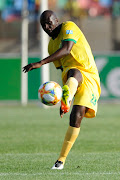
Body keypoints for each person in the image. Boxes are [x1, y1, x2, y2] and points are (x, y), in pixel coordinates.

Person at [23, 10, 101, 170]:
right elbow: (61, 69)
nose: (46, 27)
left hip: (90, 74)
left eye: (49, 23)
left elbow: (67, 48)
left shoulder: (69, 26)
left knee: (77, 115)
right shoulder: (51, 46)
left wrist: (40, 63)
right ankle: (60, 160)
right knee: (72, 73)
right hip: (72, 76)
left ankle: (61, 160)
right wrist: (63, 96)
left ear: (56, 20)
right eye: (43, 25)